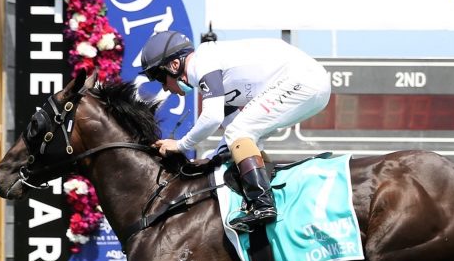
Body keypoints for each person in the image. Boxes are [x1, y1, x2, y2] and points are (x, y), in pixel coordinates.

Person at [139, 30, 331, 232]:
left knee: (241, 131)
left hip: (304, 80)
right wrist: (210, 161)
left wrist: (180, 145)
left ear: (174, 65)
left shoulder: (202, 62)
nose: (165, 88)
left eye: (161, 78)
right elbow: (232, 136)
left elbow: (212, 118)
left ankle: (263, 204)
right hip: (311, 84)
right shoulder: (212, 77)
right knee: (246, 138)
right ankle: (267, 194)